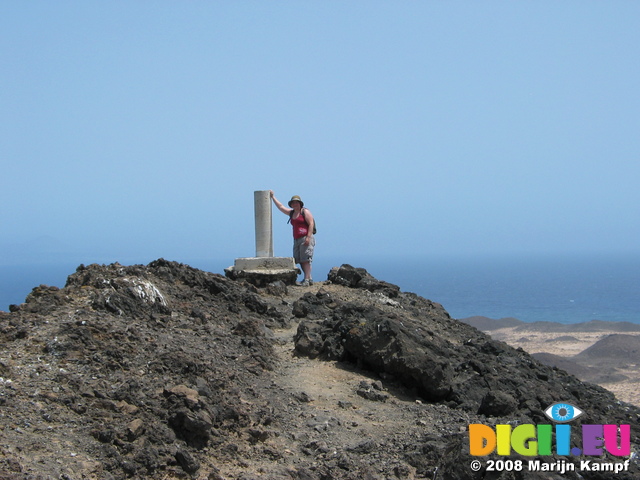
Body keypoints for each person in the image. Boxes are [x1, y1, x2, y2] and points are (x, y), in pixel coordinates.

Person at [270, 191, 315, 286]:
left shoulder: (305, 211)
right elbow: (281, 207)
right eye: (293, 203)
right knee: (299, 259)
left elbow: (311, 223)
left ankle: (307, 279)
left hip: (305, 238)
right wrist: (273, 197)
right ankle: (308, 278)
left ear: (300, 203)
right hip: (297, 239)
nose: (295, 204)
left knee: (306, 259)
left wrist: (308, 237)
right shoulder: (291, 213)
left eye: (296, 202)